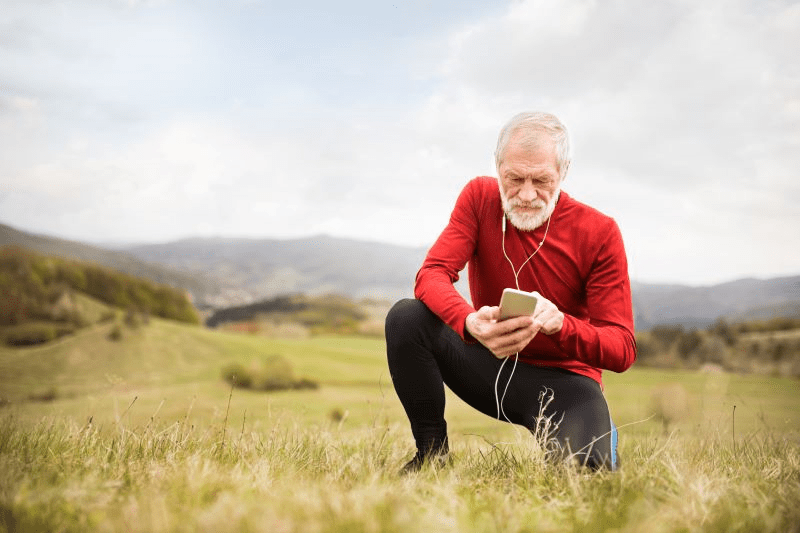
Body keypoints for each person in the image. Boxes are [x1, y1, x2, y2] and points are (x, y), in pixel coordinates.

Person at [385, 111, 636, 473]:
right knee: (407, 317)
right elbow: (432, 274)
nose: (527, 194)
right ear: (498, 166)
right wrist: (468, 322)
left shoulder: (600, 232)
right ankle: (431, 455)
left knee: (587, 475)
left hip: (564, 384)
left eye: (542, 180)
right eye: (514, 178)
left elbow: (622, 349)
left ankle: (597, 433)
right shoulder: (478, 197)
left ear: (563, 171)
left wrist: (562, 325)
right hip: (488, 365)